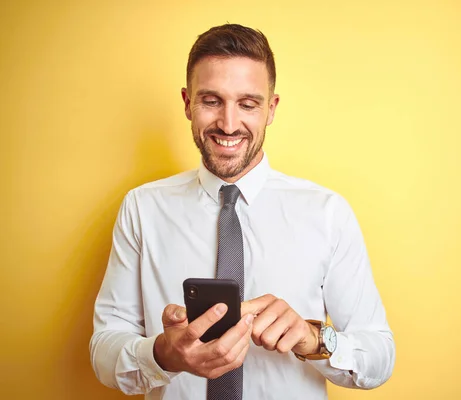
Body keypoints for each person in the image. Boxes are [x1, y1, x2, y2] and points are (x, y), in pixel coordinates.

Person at [90, 23, 395, 400]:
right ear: (187, 103)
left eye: (248, 104)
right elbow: (103, 350)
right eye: (211, 101)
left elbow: (379, 356)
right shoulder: (142, 208)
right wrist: (162, 354)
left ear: (271, 109)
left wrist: (312, 337)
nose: (229, 124)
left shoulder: (327, 213)